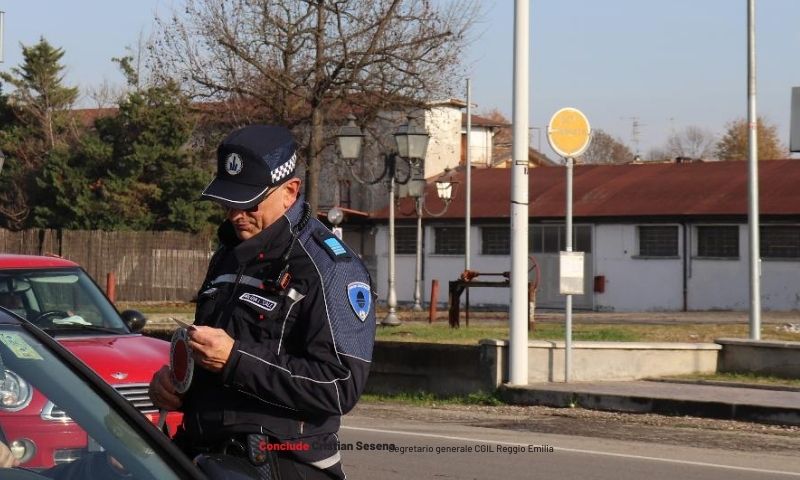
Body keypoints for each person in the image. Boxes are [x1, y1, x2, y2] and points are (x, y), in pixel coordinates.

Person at [148, 125, 376, 480]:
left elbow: (339, 386)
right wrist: (176, 384)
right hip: (203, 455)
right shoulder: (227, 254)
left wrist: (235, 359)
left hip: (283, 464)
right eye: (227, 201)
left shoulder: (330, 267)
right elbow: (212, 359)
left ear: (290, 192)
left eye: (248, 202)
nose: (235, 214)